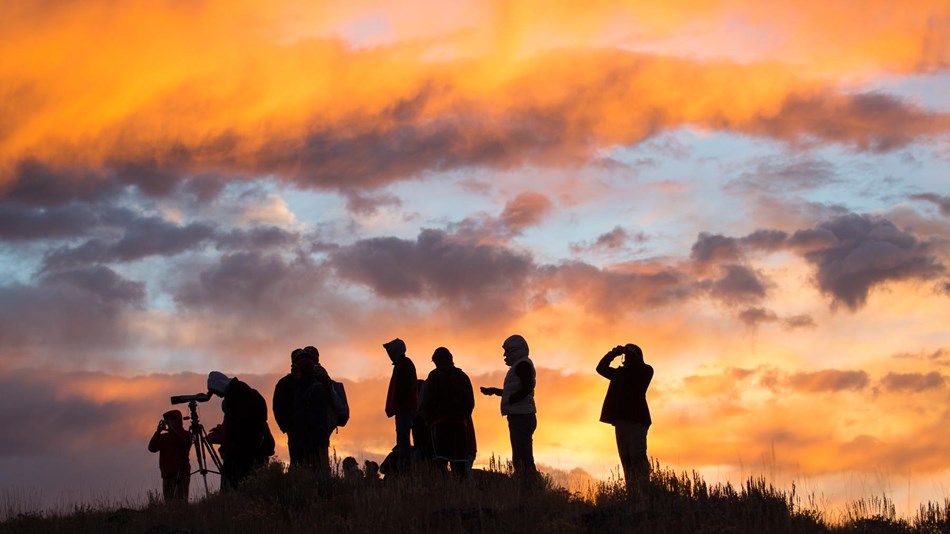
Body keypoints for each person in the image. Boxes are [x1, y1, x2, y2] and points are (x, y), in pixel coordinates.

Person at [596, 343, 654, 496]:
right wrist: (613, 353)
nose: (627, 357)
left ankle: (644, 493)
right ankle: (633, 494)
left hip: (637, 421)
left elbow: (639, 369)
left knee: (637, 456)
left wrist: (628, 351)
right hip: (621, 422)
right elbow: (600, 368)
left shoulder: (645, 371)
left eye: (629, 355)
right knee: (626, 458)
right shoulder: (620, 373)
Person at [480, 334, 537, 477]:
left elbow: (527, 388)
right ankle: (526, 483)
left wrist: (511, 399)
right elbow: (519, 389)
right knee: (520, 454)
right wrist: (495, 392)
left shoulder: (522, 365)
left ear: (515, 351)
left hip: (522, 416)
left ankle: (529, 485)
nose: (505, 355)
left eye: (507, 352)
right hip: (520, 415)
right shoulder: (521, 364)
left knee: (523, 455)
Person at [207, 371, 274, 489]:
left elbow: (238, 427)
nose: (217, 395)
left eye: (215, 392)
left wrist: (220, 436)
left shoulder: (237, 395)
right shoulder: (240, 391)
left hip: (244, 451)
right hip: (251, 448)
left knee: (237, 483)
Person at [273, 348, 331, 476]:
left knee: (309, 469)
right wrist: (289, 426)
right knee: (309, 468)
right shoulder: (309, 383)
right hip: (303, 436)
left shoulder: (315, 384)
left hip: (310, 437)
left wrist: (288, 426)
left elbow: (278, 407)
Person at [420, 347, 476, 476]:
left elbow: (427, 400)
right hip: (460, 425)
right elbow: (470, 402)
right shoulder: (463, 376)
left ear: (438, 360)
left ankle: (443, 491)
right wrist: (464, 417)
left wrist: (427, 419)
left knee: (440, 463)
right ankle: (460, 492)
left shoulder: (434, 376)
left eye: (435, 361)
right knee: (459, 463)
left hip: (440, 425)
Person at [383, 338, 417, 468]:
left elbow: (405, 389)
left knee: (403, 441)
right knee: (402, 441)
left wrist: (399, 404)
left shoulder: (405, 364)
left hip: (405, 410)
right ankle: (404, 466)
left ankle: (405, 468)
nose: (389, 355)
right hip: (403, 409)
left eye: (391, 351)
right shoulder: (402, 364)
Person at [147, 409, 191, 502]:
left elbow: (183, 444)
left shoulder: (186, 434)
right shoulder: (164, 437)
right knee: (169, 505)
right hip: (166, 476)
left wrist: (173, 431)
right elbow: (151, 448)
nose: (169, 422)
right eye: (168, 420)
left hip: (181, 475)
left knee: (181, 503)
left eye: (171, 419)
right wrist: (158, 432)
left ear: (177, 420)